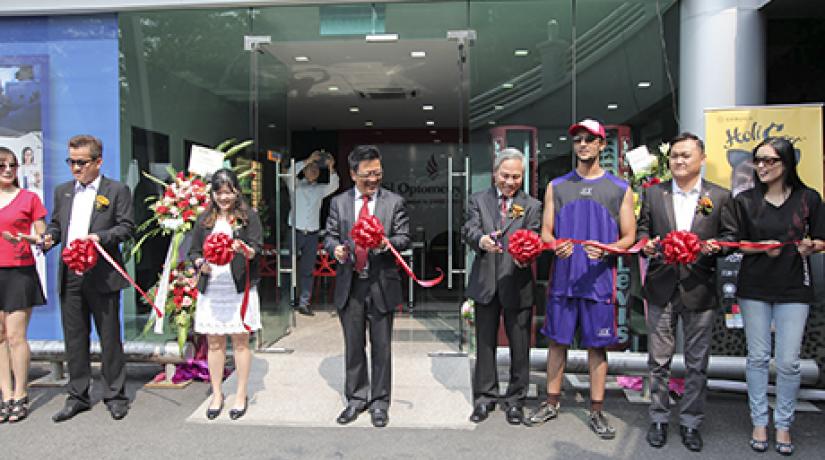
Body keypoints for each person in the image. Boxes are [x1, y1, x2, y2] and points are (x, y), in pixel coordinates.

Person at [526, 119, 636, 438]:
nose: (583, 144)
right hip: (563, 279)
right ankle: (551, 402)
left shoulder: (619, 188)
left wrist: (608, 250)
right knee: (557, 343)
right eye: (578, 140)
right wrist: (553, 244)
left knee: (597, 348)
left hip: (599, 281)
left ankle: (597, 411)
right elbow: (546, 232)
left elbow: (628, 237)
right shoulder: (557, 186)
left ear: (603, 145)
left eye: (590, 139)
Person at [721, 137, 825, 456]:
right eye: (758, 161)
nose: (762, 167)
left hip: (794, 286)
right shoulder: (745, 200)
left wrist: (813, 246)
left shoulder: (809, 198)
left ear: (786, 163)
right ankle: (759, 421)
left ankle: (783, 423)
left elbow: (821, 239)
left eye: (770, 161)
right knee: (756, 358)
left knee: (789, 361)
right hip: (754, 286)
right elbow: (733, 240)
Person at [636, 133, 731, 452]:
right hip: (661, 286)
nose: (678, 160)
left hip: (699, 288)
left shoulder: (719, 197)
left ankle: (691, 422)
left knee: (696, 362)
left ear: (701, 159)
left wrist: (717, 248)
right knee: (658, 360)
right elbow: (642, 229)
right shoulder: (653, 194)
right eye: (674, 155)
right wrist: (646, 244)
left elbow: (730, 238)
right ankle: (659, 418)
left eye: (686, 155)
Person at [43, 135, 134, 422]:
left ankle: (115, 394)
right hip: (71, 274)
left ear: (98, 162)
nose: (75, 168)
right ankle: (78, 395)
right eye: (71, 161)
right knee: (74, 337)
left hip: (102, 274)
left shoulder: (116, 190)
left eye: (81, 162)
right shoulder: (63, 192)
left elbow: (126, 227)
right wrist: (48, 238)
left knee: (109, 337)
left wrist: (100, 238)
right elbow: (57, 226)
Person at [324, 145, 409, 428]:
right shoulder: (339, 203)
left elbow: (404, 237)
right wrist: (335, 248)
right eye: (366, 175)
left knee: (382, 346)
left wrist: (386, 244)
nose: (373, 180)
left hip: (382, 283)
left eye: (377, 173)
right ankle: (356, 398)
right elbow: (330, 236)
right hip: (352, 284)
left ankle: (380, 402)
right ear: (352, 174)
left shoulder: (393, 202)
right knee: (354, 345)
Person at [463, 148, 542, 425]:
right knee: (485, 344)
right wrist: (480, 240)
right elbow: (469, 229)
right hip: (485, 282)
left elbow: (533, 236)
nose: (510, 182)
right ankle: (485, 397)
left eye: (516, 177)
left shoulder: (531, 204)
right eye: (505, 175)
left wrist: (525, 257)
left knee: (520, 346)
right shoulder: (478, 200)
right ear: (495, 173)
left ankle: (515, 400)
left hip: (517, 282)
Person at [189, 168, 262, 421]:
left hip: (238, 285)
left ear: (237, 191)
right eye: (219, 192)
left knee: (240, 342)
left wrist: (243, 249)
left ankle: (241, 393)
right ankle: (217, 393)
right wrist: (200, 263)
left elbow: (257, 249)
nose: (224, 197)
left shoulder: (248, 217)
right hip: (212, 287)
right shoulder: (204, 219)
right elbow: (193, 252)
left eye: (228, 192)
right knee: (215, 342)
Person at [0, 147, 47, 423]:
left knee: (16, 336)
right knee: (0, 337)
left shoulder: (29, 199)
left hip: (19, 272)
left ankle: (20, 393)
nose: (8, 170)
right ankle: (5, 394)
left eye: (12, 165)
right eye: (2, 165)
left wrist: (24, 239)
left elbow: (43, 238)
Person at [286, 150, 339, 316]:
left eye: (316, 170)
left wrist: (331, 167)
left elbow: (334, 185)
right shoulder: (295, 185)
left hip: (312, 233)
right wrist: (307, 159)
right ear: (304, 170)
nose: (313, 171)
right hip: (295, 230)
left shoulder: (320, 189)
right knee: (290, 266)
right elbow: (288, 174)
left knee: (308, 269)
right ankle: (288, 300)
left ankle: (304, 302)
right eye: (310, 168)